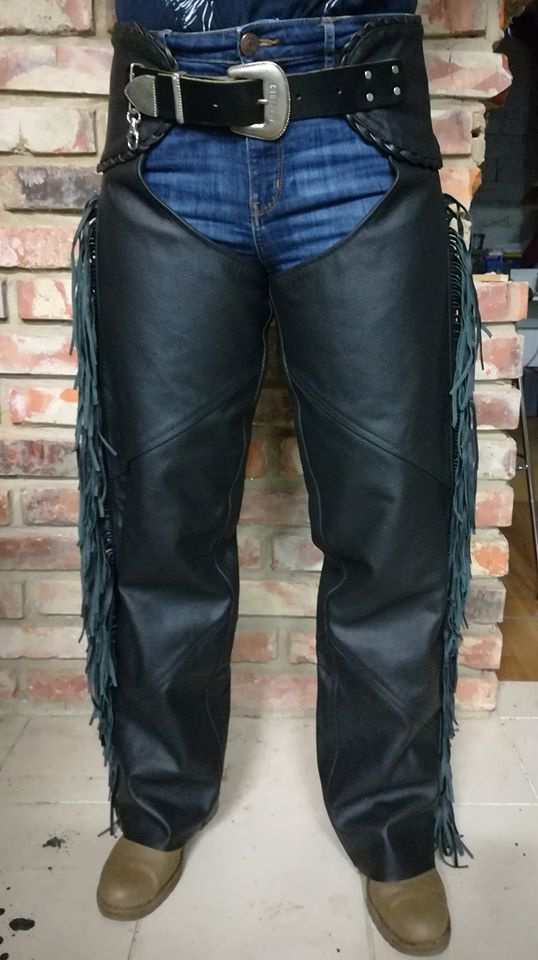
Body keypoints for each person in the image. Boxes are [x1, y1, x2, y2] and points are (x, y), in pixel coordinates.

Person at [70, 1, 483, 954]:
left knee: (391, 518)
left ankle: (391, 821)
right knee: (161, 511)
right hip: (168, 126)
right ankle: (158, 802)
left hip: (358, 122)